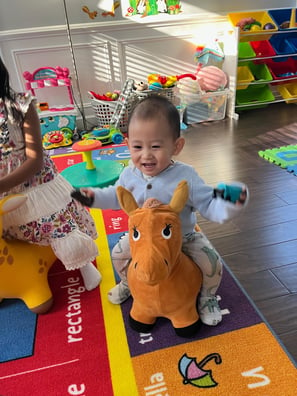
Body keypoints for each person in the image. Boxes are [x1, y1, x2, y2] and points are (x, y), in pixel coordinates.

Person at [73, 95, 248, 326]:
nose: (146, 155)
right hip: (141, 240)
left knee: (212, 262)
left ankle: (206, 298)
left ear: (177, 146)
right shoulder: (129, 174)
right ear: (127, 145)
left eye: (155, 146)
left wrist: (226, 204)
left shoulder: (186, 176)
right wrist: (94, 198)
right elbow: (117, 196)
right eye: (137, 147)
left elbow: (208, 203)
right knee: (118, 253)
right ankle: (129, 283)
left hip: (183, 237)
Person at [0, 57, 101, 291]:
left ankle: (82, 263)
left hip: (34, 185)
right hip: (6, 194)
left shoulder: (20, 106)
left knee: (58, 227)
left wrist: (3, 185)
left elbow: (34, 160)